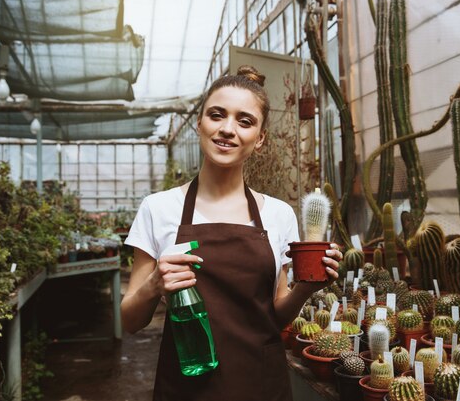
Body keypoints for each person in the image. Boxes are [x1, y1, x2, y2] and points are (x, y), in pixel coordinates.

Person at [121, 65, 342, 401]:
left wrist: (306, 289)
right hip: (186, 386)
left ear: (260, 139)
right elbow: (131, 322)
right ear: (200, 123)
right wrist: (154, 284)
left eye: (245, 121)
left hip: (261, 384)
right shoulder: (159, 208)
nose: (227, 129)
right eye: (217, 115)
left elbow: (276, 314)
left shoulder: (278, 214)